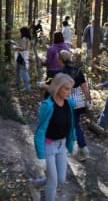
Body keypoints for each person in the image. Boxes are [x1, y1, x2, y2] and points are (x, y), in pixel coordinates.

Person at [34, 73, 76, 201]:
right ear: (57, 88)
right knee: (53, 183)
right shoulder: (47, 106)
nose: (69, 92)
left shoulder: (69, 103)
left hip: (62, 145)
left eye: (70, 89)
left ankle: (37, 184)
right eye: (66, 89)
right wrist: (40, 157)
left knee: (61, 179)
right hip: (49, 146)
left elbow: (71, 124)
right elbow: (39, 133)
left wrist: (73, 141)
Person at [42, 32, 70, 98]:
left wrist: (43, 63)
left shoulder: (51, 49)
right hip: (64, 72)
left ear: (54, 38)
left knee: (49, 87)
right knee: (60, 88)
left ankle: (48, 103)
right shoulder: (66, 47)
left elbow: (48, 62)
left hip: (52, 72)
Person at [13, 27, 32, 93]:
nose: (19, 33)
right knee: (17, 70)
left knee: (24, 72)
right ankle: (18, 83)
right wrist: (17, 45)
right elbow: (24, 46)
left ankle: (28, 88)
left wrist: (16, 47)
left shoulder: (24, 38)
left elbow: (23, 48)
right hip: (21, 57)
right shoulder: (27, 39)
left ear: (23, 32)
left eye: (20, 32)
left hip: (22, 57)